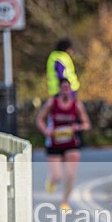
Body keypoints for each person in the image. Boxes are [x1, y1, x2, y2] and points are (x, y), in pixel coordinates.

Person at [36, 78, 91, 213]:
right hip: (54, 142)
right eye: (63, 87)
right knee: (58, 176)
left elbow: (86, 124)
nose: (66, 90)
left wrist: (77, 127)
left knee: (71, 175)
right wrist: (46, 131)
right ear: (60, 89)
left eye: (68, 88)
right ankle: (52, 180)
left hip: (71, 143)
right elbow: (40, 120)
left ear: (71, 89)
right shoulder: (52, 103)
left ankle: (65, 202)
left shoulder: (77, 105)